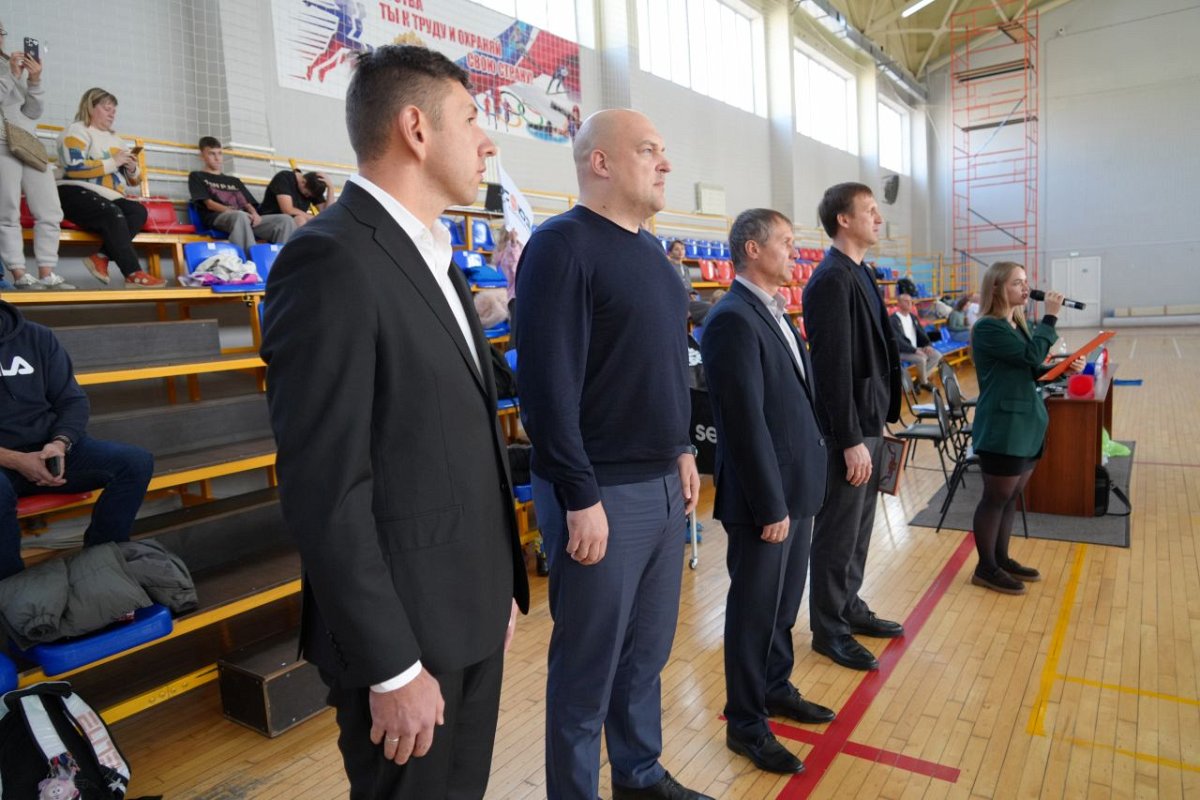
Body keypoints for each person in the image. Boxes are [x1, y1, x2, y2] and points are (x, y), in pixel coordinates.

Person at [261, 45, 529, 799]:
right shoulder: (330, 260)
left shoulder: (438, 260)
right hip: (406, 642)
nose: (487, 142)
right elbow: (326, 488)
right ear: (416, 128)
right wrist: (392, 666)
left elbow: (456, 442)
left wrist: (496, 587)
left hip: (468, 612)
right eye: (471, 120)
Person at [515, 109, 710, 800]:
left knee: (645, 655)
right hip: (600, 493)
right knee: (587, 670)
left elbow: (662, 367)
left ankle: (639, 775)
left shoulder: (654, 256)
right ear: (600, 162)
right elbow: (546, 390)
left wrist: (681, 447)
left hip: (662, 483)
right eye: (650, 150)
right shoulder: (560, 247)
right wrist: (579, 494)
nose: (665, 164)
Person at [700, 208, 834, 776]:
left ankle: (776, 687)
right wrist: (769, 502)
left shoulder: (774, 311)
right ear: (752, 249)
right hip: (766, 500)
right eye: (785, 241)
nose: (794, 251)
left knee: (782, 606)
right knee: (753, 613)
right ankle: (746, 723)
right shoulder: (732, 318)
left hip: (795, 489)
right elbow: (743, 422)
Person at [802, 182, 903, 673]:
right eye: (870, 210)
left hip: (870, 420)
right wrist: (848, 440)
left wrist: (881, 421)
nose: (878, 218)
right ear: (843, 219)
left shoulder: (861, 272)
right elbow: (832, 370)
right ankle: (829, 628)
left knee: (860, 529)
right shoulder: (830, 280)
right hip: (849, 430)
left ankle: (849, 604)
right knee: (838, 532)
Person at [0, 299, 153, 581]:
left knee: (135, 462)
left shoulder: (37, 336)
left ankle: (102, 565)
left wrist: (60, 443)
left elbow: (72, 400)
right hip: (4, 461)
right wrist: (15, 459)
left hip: (48, 451)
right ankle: (12, 590)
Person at [968, 262, 1083, 595]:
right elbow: (1032, 355)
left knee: (1011, 497)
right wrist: (1051, 317)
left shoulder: (1017, 324)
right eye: (1017, 283)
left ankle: (1001, 559)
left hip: (1025, 425)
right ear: (996, 288)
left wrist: (1063, 369)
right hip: (1003, 427)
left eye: (1025, 281)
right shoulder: (988, 327)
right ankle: (985, 567)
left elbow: (1031, 369)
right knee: (996, 497)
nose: (1025, 288)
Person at [56, 87, 165, 288]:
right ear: (90, 107)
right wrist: (113, 162)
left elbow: (134, 181)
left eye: (114, 110)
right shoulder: (76, 131)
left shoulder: (117, 140)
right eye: (107, 109)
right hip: (73, 191)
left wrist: (132, 168)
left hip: (108, 196)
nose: (112, 114)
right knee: (113, 213)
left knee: (138, 212)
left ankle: (101, 256)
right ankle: (133, 273)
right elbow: (73, 168)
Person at [0, 28, 71, 290]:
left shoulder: (10, 62)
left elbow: (32, 112)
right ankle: (19, 274)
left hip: (28, 141)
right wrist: (11, 75)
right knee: (7, 210)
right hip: (1, 143)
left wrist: (35, 80)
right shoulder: (10, 68)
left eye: (0, 31)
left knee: (50, 209)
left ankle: (47, 272)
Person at [189, 137, 295, 257]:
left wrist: (254, 214)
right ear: (202, 156)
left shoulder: (233, 180)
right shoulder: (197, 176)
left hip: (244, 218)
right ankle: (249, 262)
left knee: (285, 220)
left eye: (219, 153)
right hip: (219, 217)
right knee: (240, 216)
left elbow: (247, 203)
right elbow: (209, 204)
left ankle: (281, 262)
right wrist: (232, 211)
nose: (217, 158)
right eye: (212, 154)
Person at [890, 293, 942, 391]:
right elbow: (898, 341)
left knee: (937, 355)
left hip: (914, 348)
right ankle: (924, 382)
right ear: (899, 303)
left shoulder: (913, 317)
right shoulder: (893, 320)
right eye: (906, 301)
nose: (909, 303)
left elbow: (922, 333)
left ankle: (919, 381)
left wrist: (927, 345)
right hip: (901, 351)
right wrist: (914, 350)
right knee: (921, 359)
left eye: (910, 301)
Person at [258, 167, 335, 228]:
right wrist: (313, 218)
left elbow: (327, 214)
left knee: (320, 224)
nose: (307, 196)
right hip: (268, 219)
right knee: (300, 219)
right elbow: (288, 210)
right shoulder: (284, 178)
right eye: (306, 194)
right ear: (303, 182)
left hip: (289, 223)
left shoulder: (313, 187)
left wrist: (331, 188)